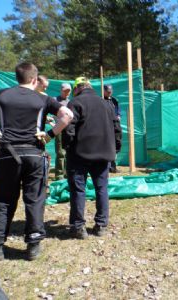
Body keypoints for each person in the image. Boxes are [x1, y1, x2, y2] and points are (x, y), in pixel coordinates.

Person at [0, 62, 73, 261]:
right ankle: (33, 245)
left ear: (17, 78)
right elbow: (68, 115)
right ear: (35, 80)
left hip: (8, 154)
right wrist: (50, 135)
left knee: (2, 200)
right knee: (34, 199)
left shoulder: (1, 95)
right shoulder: (42, 99)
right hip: (34, 154)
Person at [63, 77, 121, 239]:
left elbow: (69, 129)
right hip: (103, 154)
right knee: (102, 189)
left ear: (77, 89)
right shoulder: (107, 104)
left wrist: (67, 147)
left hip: (79, 155)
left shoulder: (75, 103)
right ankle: (101, 225)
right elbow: (117, 128)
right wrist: (116, 148)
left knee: (78, 190)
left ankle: (78, 227)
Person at [54, 83, 72, 180]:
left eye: (69, 91)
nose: (67, 92)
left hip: (68, 129)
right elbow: (47, 111)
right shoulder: (55, 100)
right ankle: (59, 175)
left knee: (68, 152)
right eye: (65, 90)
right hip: (59, 129)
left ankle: (67, 173)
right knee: (60, 153)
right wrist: (52, 121)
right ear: (61, 90)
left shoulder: (70, 102)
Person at [103, 84, 121, 173]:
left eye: (111, 92)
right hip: (105, 125)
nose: (109, 93)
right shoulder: (101, 100)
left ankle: (113, 166)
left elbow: (118, 110)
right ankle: (107, 166)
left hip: (115, 124)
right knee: (107, 145)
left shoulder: (114, 100)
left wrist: (118, 115)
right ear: (104, 91)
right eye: (108, 92)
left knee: (116, 143)